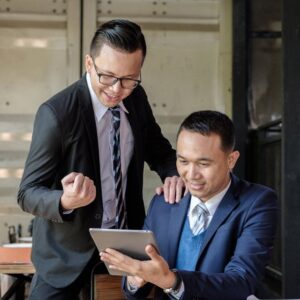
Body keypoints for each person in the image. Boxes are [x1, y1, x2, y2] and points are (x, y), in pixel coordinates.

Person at [17, 19, 184, 299]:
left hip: (124, 246)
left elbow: (160, 151)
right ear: (89, 64)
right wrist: (64, 201)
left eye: (129, 79)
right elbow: (27, 193)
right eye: (107, 76)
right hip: (64, 254)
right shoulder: (56, 113)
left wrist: (174, 174)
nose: (117, 89)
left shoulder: (137, 98)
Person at [100, 110, 278, 300]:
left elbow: (242, 281)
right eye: (183, 161)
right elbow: (134, 293)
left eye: (203, 164)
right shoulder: (163, 203)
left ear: (231, 160)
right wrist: (135, 278)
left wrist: (173, 281)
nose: (191, 174)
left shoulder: (257, 202)